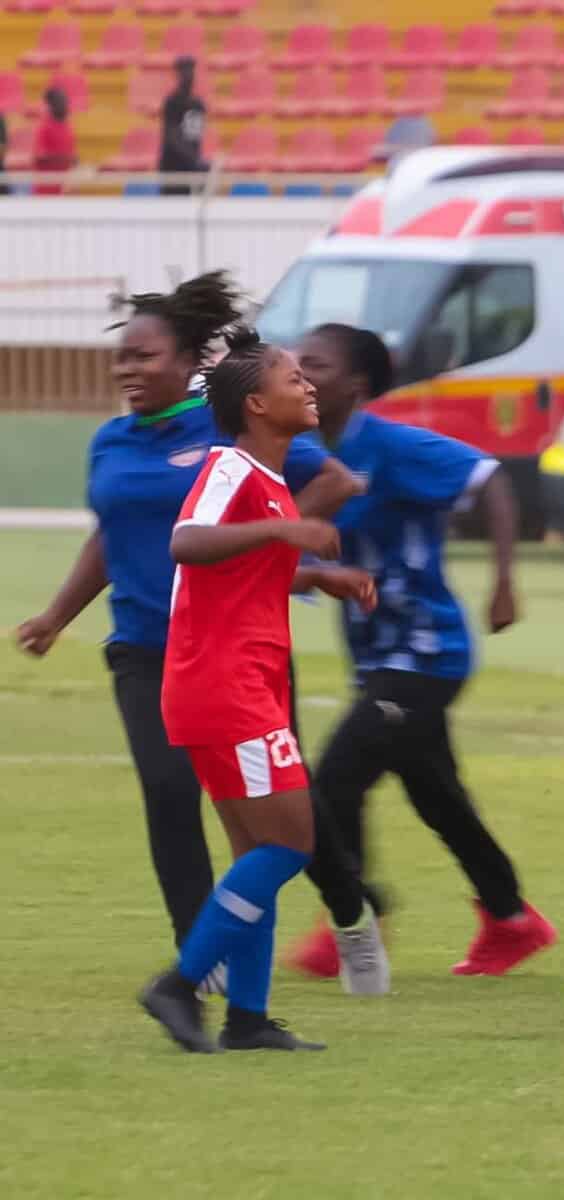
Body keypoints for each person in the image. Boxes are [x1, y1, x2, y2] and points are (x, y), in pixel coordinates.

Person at [13, 273, 367, 989]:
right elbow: (150, 539)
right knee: (184, 798)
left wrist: (299, 557)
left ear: (186, 363)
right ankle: (193, 973)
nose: (129, 369)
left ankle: (333, 929)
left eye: (144, 356)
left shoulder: (236, 433)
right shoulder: (135, 447)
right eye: (123, 358)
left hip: (243, 656)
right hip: (161, 651)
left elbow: (326, 484)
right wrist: (56, 616)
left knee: (282, 818)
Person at [283, 323, 557, 983]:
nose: (299, 372)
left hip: (426, 653)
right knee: (437, 795)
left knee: (334, 781)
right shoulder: (303, 453)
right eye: (294, 363)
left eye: (314, 364)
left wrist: (504, 581)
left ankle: (358, 914)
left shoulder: (392, 444)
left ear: (357, 384)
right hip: (377, 655)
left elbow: (489, 479)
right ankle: (510, 918)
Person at [138, 327, 378, 1053]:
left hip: (235, 685)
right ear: (255, 404)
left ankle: (248, 1018)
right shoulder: (232, 467)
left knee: (258, 851)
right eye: (292, 378)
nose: (307, 386)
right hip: (226, 686)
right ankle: (179, 985)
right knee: (291, 845)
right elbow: (188, 540)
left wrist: (312, 575)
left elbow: (233, 571)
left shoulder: (268, 484)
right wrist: (288, 536)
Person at [158, 56, 209, 195]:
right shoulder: (172, 103)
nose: (188, 76)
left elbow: (194, 136)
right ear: (177, 76)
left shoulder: (197, 104)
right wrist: (194, 160)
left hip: (190, 166)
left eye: (191, 71)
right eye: (184, 72)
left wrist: (196, 162)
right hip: (172, 165)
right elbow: (172, 136)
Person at [32, 86, 77, 194]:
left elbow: (71, 157)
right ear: (50, 106)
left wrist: (72, 160)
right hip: (46, 185)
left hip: (63, 185)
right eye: (59, 102)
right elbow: (39, 157)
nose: (63, 105)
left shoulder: (68, 127)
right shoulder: (44, 127)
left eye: (65, 102)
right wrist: (64, 158)